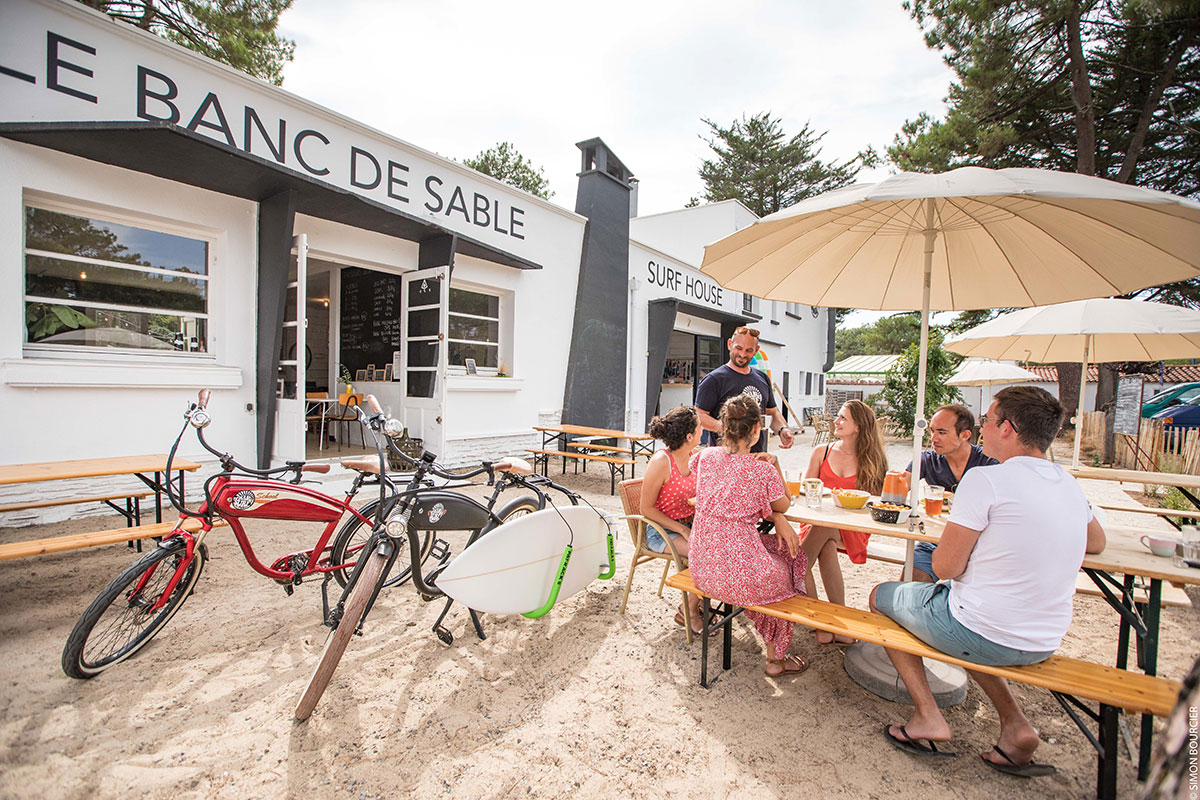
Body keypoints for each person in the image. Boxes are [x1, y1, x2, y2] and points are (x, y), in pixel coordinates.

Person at [869, 386, 1106, 776]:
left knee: (882, 597)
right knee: (974, 613)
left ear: (1008, 428)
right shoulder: (1065, 481)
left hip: (979, 630)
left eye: (987, 421)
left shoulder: (986, 480)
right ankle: (1015, 725)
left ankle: (928, 715)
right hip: (1043, 640)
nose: (982, 429)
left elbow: (945, 568)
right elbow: (1096, 541)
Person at [688, 395, 808, 677]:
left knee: (771, 552)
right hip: (739, 577)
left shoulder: (705, 458)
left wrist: (774, 515)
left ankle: (775, 652)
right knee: (791, 561)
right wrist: (774, 465)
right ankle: (775, 660)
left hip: (703, 567)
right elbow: (784, 504)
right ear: (756, 429)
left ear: (724, 426)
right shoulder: (762, 471)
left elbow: (718, 475)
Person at [799, 399, 887, 644]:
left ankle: (818, 620)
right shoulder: (822, 452)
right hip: (819, 523)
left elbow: (877, 503)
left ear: (858, 426)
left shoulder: (872, 459)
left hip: (853, 527)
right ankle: (833, 624)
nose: (835, 422)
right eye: (837, 417)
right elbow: (807, 492)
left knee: (801, 557)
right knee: (824, 542)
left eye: (842, 418)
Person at [904, 404, 998, 582]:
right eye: (932, 431)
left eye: (942, 432)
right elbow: (898, 491)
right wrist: (896, 482)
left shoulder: (988, 463)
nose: (933, 438)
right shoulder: (927, 460)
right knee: (910, 582)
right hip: (934, 541)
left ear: (965, 435)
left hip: (978, 545)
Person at [642, 405, 704, 635]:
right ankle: (688, 611)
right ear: (689, 436)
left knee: (721, 546)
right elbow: (646, 508)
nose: (702, 431)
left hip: (688, 525)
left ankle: (702, 600)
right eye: (699, 428)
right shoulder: (661, 461)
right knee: (704, 554)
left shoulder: (695, 457)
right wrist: (682, 529)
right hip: (661, 530)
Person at [695, 326, 794, 453]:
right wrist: (728, 428)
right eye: (738, 348)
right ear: (730, 344)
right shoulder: (714, 379)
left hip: (757, 457)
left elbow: (772, 412)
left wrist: (782, 429)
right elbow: (700, 416)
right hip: (724, 459)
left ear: (756, 350)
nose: (742, 354)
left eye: (748, 350)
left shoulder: (762, 378)